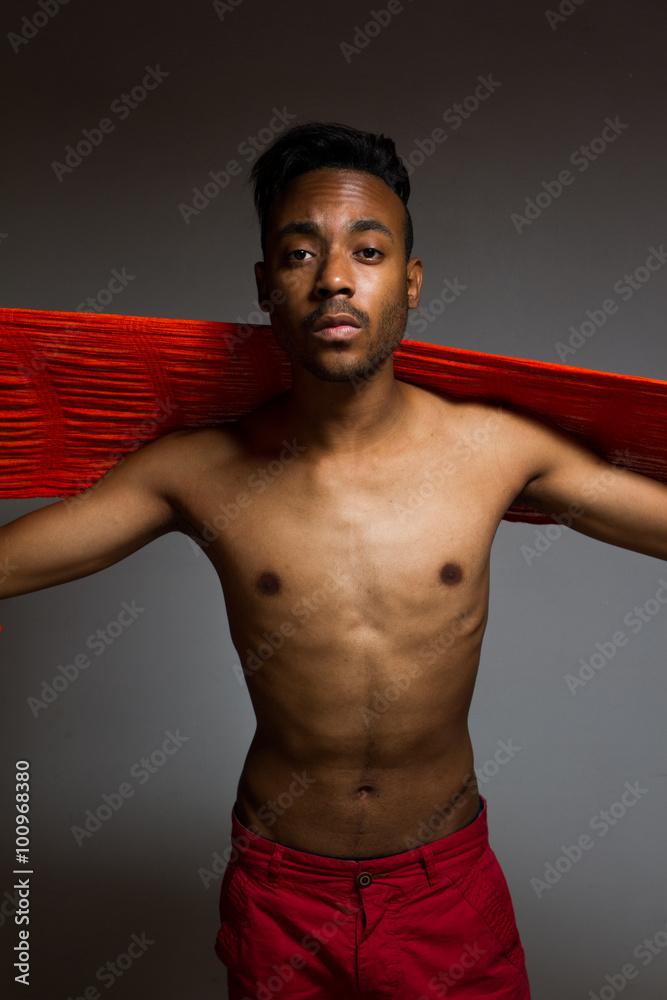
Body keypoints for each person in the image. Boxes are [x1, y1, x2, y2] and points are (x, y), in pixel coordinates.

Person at [1, 121, 665, 999]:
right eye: (300, 252)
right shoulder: (201, 471)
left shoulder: (493, 452)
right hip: (282, 894)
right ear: (266, 287)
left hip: (444, 894)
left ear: (410, 282)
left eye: (369, 249)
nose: (336, 278)